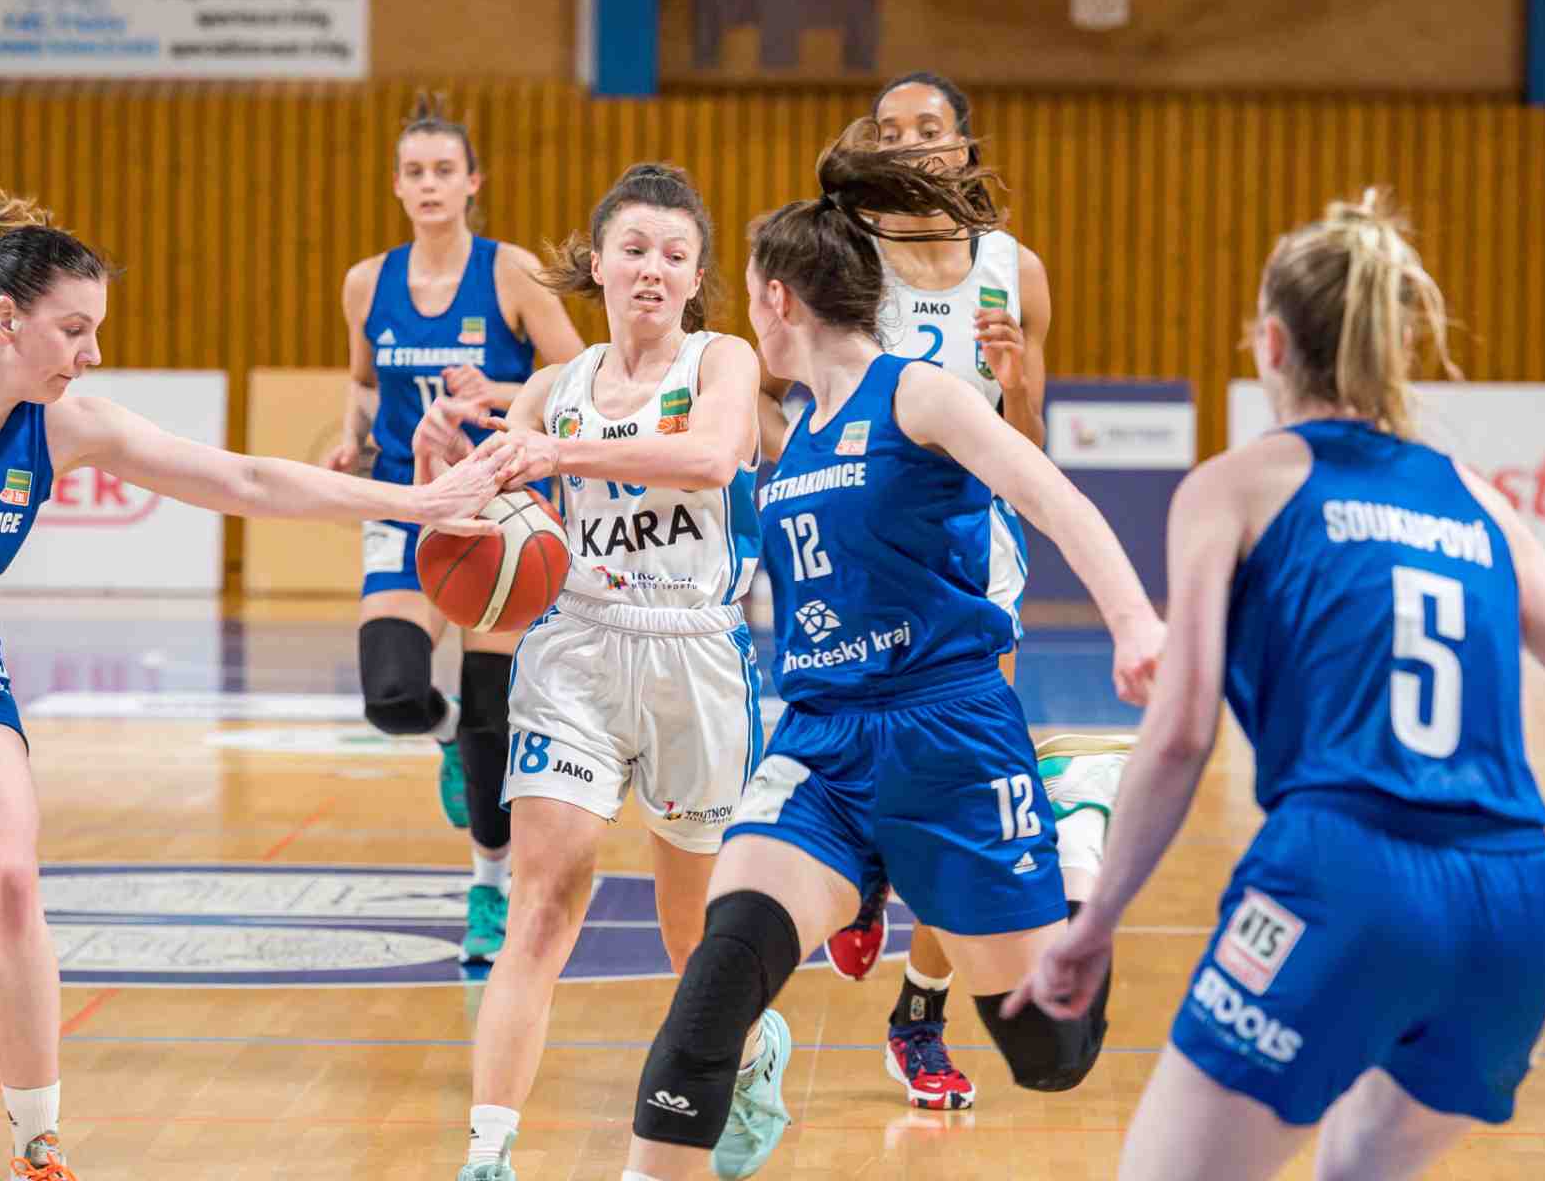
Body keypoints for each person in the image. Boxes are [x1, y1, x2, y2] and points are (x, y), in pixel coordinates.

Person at [0, 190, 518, 1179]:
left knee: (8, 882)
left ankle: (37, 1149)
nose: (91, 354)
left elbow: (245, 480)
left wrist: (417, 501)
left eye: (97, 332)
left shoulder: (64, 425)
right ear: (7, 319)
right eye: (74, 330)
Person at [615, 121, 1163, 1181]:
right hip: (822, 747)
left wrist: (1136, 622)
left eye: (750, 301)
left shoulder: (916, 392)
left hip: (949, 735)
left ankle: (1072, 819)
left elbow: (1052, 498)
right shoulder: (796, 434)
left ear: (779, 300)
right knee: (717, 989)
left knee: (1049, 1055)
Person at [1007, 190, 1545, 1181]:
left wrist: (1094, 922)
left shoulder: (1236, 485)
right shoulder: (1477, 498)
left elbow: (1181, 735)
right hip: (1518, 903)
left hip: (1347, 873)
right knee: (1356, 1166)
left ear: (1270, 342)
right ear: (1395, 343)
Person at [757, 70, 1134, 1111]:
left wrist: (1015, 388)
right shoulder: (846, 255)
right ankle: (863, 872)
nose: (911, 144)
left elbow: (1030, 443)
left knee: (961, 783)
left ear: (964, 148)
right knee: (857, 750)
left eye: (929, 128)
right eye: (891, 130)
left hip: (968, 559)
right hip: (858, 545)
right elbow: (779, 390)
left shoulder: (1015, 270)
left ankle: (917, 1013)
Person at [412, 163, 770, 1181]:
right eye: (635, 248)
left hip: (695, 653)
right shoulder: (549, 391)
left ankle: (751, 1062)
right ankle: (488, 1151)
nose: (653, 268)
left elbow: (710, 460)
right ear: (599, 263)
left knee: (692, 937)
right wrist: (439, 464)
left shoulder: (721, 361)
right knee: (543, 901)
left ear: (695, 277)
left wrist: (558, 457)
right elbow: (470, 520)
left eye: (674, 254)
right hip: (576, 649)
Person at [323, 93, 585, 965]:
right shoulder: (367, 281)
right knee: (391, 693)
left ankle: (487, 887)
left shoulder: (511, 273)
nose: (429, 184)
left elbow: (577, 378)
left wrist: (498, 394)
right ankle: (440, 738)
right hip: (408, 500)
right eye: (415, 172)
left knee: (491, 718)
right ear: (398, 186)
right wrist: (350, 438)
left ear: (474, 182)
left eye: (444, 170)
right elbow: (365, 384)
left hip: (500, 507)